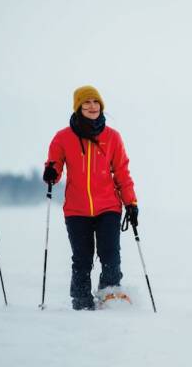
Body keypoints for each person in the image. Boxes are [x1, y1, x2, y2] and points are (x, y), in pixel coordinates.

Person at [43, 85, 138, 310]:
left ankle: (110, 296)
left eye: (96, 102)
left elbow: (122, 172)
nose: (92, 106)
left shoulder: (112, 137)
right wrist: (51, 172)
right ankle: (82, 302)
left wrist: (131, 203)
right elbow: (54, 167)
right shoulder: (63, 137)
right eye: (87, 102)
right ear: (78, 107)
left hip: (108, 207)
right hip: (77, 210)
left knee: (111, 255)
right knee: (82, 259)